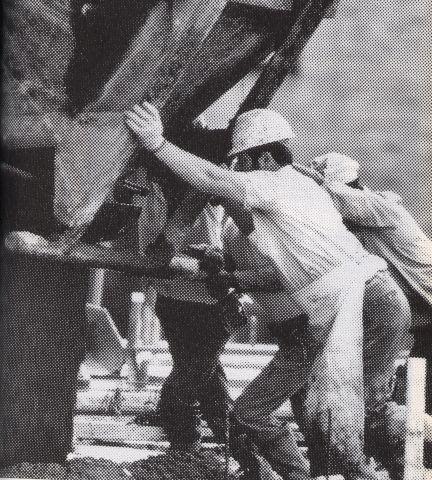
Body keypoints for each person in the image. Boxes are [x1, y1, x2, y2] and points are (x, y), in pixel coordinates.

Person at [124, 103, 410, 480]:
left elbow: (210, 178)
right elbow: (257, 241)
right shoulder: (299, 190)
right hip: (359, 303)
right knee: (321, 419)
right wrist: (225, 267)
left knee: (347, 420)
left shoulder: (275, 185)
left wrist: (158, 143)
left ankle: (390, 461)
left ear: (264, 157)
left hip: (361, 305)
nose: (239, 171)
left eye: (242, 162)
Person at [311, 151, 432, 467]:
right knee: (416, 398)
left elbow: (337, 197)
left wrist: (300, 178)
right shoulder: (360, 225)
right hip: (425, 324)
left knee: (415, 401)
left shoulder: (381, 208)